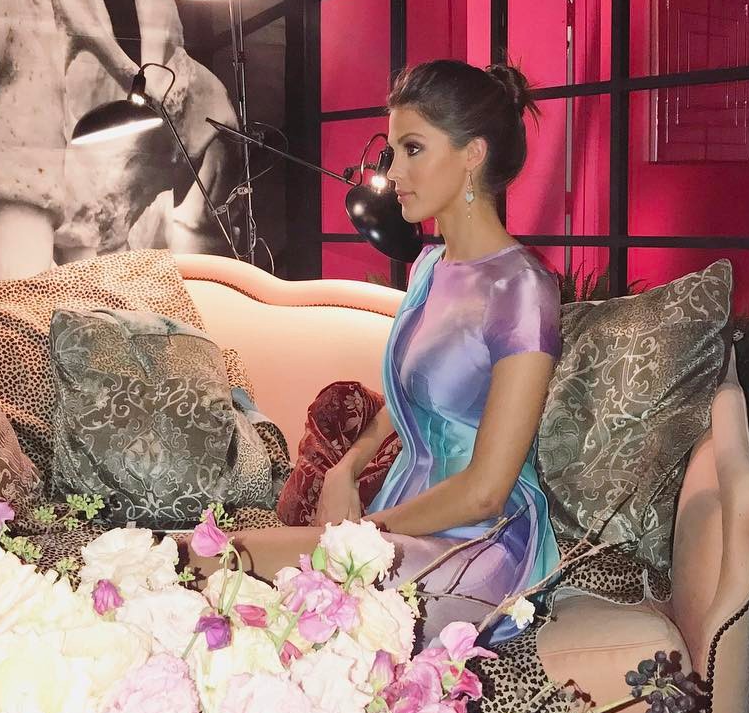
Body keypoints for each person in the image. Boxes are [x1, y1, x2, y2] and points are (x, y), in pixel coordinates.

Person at [185, 59, 562, 645]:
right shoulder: (430, 267)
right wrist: (349, 465)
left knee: (221, 565)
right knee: (202, 566)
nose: (394, 173)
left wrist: (360, 535)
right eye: (392, 152)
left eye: (413, 149)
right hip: (401, 514)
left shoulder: (522, 289)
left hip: (477, 540)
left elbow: (487, 489)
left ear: (472, 155)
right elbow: (411, 397)